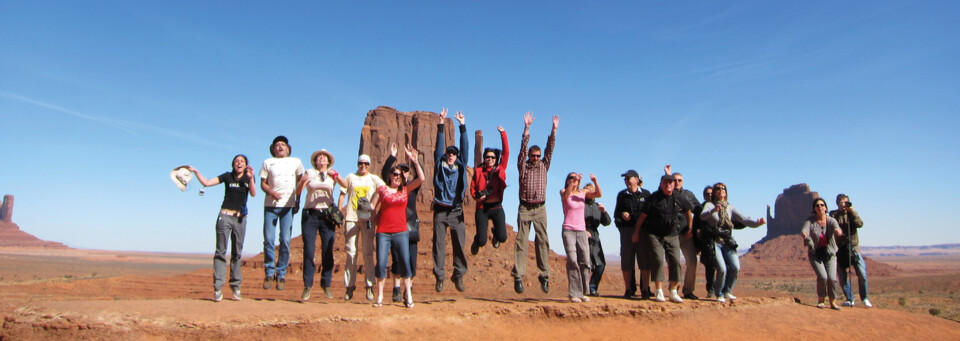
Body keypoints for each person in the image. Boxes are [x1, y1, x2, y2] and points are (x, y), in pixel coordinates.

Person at [186, 155, 257, 302]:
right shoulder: (227, 176)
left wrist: (251, 178)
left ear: (245, 165)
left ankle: (236, 287)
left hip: (240, 218)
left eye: (242, 162)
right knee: (220, 252)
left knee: (237, 253)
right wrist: (196, 171)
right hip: (224, 216)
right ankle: (218, 288)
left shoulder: (248, 178)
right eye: (237, 161)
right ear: (233, 164)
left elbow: (253, 193)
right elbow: (207, 182)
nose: (239, 163)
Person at [371, 145, 425, 308]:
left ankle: (408, 295)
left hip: (401, 232)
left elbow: (421, 179)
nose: (397, 177)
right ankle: (379, 296)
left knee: (405, 263)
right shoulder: (382, 189)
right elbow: (372, 207)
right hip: (383, 232)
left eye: (400, 175)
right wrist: (374, 221)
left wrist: (415, 161)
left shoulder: (405, 190)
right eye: (394, 174)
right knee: (381, 263)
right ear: (389, 176)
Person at [513, 112, 559, 294]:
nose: (536, 158)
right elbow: (522, 148)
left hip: (540, 208)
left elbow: (551, 148)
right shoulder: (522, 166)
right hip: (525, 207)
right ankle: (518, 276)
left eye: (538, 156)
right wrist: (527, 128)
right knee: (521, 242)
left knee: (542, 241)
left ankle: (544, 275)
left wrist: (554, 130)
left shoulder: (544, 165)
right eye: (533, 156)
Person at [700, 182, 766, 302]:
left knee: (735, 267)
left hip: (727, 242)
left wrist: (758, 223)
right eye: (718, 189)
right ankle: (719, 293)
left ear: (726, 192)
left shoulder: (730, 207)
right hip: (715, 242)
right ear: (714, 192)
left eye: (723, 188)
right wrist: (714, 210)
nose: (721, 190)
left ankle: (727, 291)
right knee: (722, 269)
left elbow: (744, 220)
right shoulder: (709, 205)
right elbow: (702, 216)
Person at [631, 175, 692, 303]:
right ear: (661, 184)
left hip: (672, 234)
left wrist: (689, 228)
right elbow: (642, 217)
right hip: (654, 234)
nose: (668, 185)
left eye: (671, 182)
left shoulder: (678, 197)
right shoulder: (653, 198)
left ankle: (674, 291)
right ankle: (659, 290)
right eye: (665, 182)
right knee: (657, 260)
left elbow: (688, 211)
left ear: (674, 185)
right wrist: (636, 232)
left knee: (675, 260)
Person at [337, 154, 385, 301]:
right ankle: (349, 286)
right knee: (351, 253)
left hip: (368, 220)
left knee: (368, 254)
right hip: (351, 218)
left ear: (369, 165)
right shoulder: (350, 177)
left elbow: (385, 192)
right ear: (357, 164)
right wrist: (339, 211)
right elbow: (342, 193)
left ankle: (370, 286)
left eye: (365, 163)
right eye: (360, 163)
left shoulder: (374, 179)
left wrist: (378, 211)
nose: (363, 166)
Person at [295, 149, 342, 301]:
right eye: (319, 157)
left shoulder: (332, 174)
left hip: (327, 216)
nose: (321, 158)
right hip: (310, 214)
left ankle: (326, 283)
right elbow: (298, 192)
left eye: (324, 157)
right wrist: (302, 181)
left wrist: (336, 176)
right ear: (315, 161)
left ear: (328, 161)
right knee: (309, 250)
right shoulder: (309, 172)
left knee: (327, 250)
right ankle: (307, 285)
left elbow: (346, 185)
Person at [431, 108, 470, 292]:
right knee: (438, 246)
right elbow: (438, 148)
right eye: (449, 153)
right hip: (440, 210)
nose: (451, 155)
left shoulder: (461, 165)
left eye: (454, 153)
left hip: (456, 211)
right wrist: (441, 124)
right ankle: (440, 277)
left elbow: (465, 148)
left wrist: (462, 125)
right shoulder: (440, 163)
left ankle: (459, 275)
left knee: (459, 245)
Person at [260, 136, 305, 291]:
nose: (280, 147)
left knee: (285, 240)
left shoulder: (296, 162)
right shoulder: (267, 162)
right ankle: (268, 272)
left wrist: (298, 200)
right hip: (270, 206)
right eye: (277, 145)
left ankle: (281, 275)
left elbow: (301, 182)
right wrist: (271, 192)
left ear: (288, 148)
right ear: (273, 149)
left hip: (288, 206)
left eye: (283, 145)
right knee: (269, 240)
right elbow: (263, 184)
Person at [560, 173, 602, 303]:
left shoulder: (582, 193)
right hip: (569, 230)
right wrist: (572, 183)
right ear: (567, 181)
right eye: (571, 178)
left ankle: (583, 292)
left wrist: (595, 181)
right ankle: (574, 293)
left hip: (581, 231)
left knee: (585, 261)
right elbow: (566, 196)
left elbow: (598, 194)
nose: (574, 180)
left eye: (575, 178)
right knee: (572, 261)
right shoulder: (564, 191)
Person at [664, 165, 704, 300]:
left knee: (692, 262)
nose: (677, 182)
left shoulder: (688, 195)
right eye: (674, 180)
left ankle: (688, 290)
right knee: (673, 263)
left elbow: (699, 210)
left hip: (687, 233)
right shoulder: (666, 194)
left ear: (683, 181)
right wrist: (666, 174)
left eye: (679, 180)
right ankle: (673, 289)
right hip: (671, 234)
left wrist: (694, 229)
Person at [470, 126, 509, 255]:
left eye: (492, 157)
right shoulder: (479, 171)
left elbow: (506, 152)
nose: (490, 159)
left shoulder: (500, 169)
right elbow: (473, 187)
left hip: (497, 207)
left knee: (503, 237)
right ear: (484, 158)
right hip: (482, 208)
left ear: (496, 158)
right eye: (487, 157)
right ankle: (477, 240)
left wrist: (503, 134)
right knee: (482, 241)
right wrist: (476, 197)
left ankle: (496, 234)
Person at [614, 170, 651, 299]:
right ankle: (628, 289)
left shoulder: (646, 194)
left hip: (643, 231)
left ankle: (645, 290)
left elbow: (651, 213)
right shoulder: (622, 195)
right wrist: (622, 219)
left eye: (629, 178)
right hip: (627, 231)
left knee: (645, 261)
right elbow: (616, 215)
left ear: (636, 179)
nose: (627, 181)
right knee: (627, 261)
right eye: (625, 179)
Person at [802, 198, 844, 310]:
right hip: (815, 254)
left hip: (830, 254)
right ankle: (821, 300)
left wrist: (838, 232)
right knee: (823, 276)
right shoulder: (810, 220)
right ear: (814, 208)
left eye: (822, 205)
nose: (819, 207)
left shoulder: (831, 220)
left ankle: (833, 302)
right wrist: (806, 237)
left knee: (832, 278)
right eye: (817, 205)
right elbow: (804, 230)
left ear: (825, 207)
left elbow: (837, 228)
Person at [830, 194, 871, 308]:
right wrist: (840, 212)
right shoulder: (833, 214)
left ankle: (865, 298)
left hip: (854, 248)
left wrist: (851, 211)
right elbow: (832, 223)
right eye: (841, 202)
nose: (843, 205)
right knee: (842, 277)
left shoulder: (852, 214)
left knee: (862, 274)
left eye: (845, 202)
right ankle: (850, 298)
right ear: (837, 203)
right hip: (840, 249)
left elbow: (860, 224)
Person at [582, 183, 611, 297]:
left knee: (600, 264)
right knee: (586, 263)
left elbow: (607, 222)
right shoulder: (581, 204)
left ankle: (592, 287)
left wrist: (604, 212)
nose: (590, 191)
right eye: (588, 189)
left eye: (592, 189)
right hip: (582, 234)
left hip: (595, 236)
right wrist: (583, 231)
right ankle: (583, 289)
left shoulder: (597, 205)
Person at [695, 186, 717, 299]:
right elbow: (696, 226)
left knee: (722, 266)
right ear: (704, 195)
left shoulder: (719, 206)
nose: (709, 196)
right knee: (710, 265)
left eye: (711, 194)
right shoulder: (700, 208)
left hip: (718, 239)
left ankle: (721, 288)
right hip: (706, 241)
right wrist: (697, 245)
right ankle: (711, 289)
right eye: (707, 194)